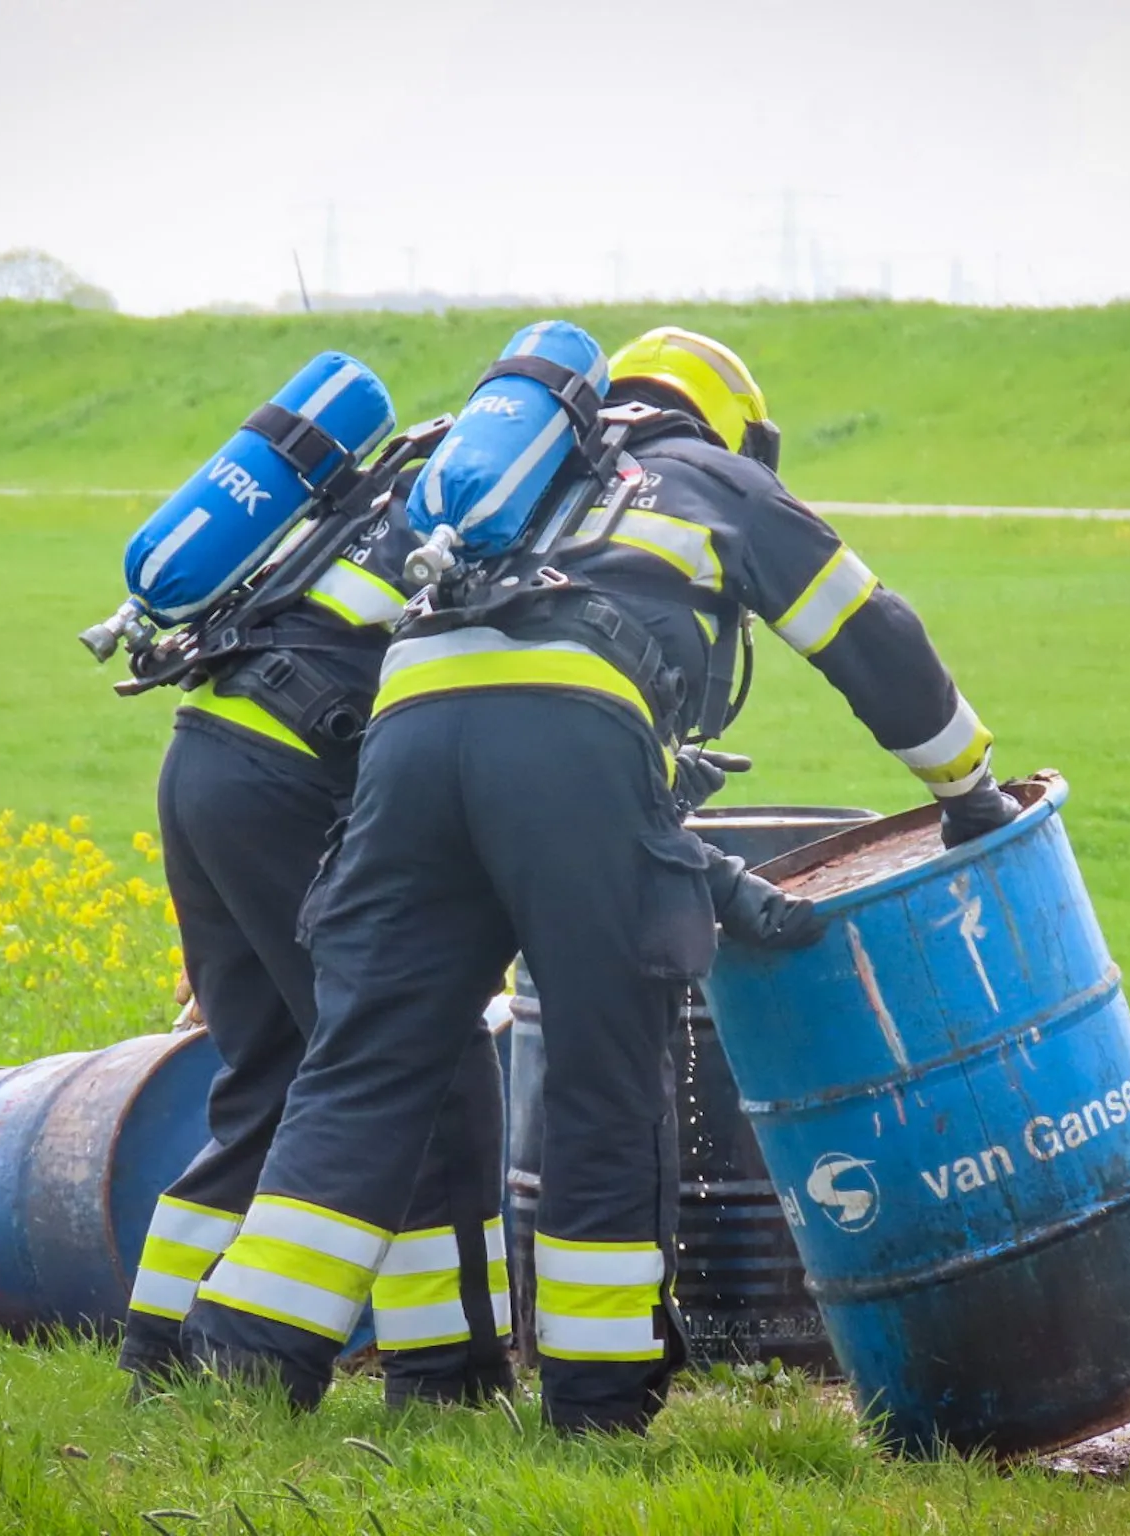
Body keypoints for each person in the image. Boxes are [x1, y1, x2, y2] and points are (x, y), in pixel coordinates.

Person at [181, 325, 1018, 1433]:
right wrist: (966, 787)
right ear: (734, 430)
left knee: (366, 1065)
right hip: (573, 739)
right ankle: (594, 1404)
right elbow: (869, 634)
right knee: (601, 1068)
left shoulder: (509, 486)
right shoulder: (714, 479)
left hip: (408, 738)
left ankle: (243, 1372)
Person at [117, 465, 513, 1410]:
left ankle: (159, 1358)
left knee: (276, 1076)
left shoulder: (407, 479)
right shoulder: (529, 506)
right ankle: (447, 1380)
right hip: (298, 775)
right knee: (429, 1063)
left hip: (205, 755)